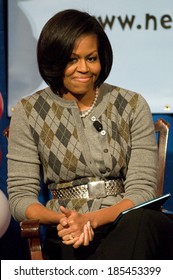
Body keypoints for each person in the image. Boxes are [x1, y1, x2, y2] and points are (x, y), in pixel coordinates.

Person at [7, 9, 173, 260]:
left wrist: (91, 220)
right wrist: (67, 221)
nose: (83, 68)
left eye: (91, 58)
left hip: (129, 223)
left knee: (142, 220)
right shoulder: (28, 112)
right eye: (72, 59)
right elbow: (21, 199)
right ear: (54, 59)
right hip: (68, 231)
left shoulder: (132, 104)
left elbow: (141, 192)